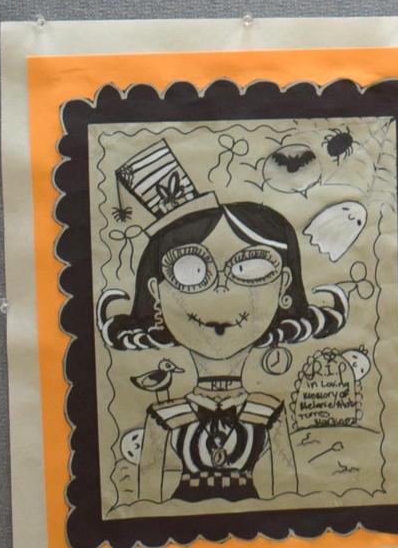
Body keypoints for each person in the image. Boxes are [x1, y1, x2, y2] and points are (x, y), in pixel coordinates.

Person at [98, 201, 348, 504]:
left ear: (284, 285)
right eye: (190, 270)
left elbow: (287, 496)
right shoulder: (164, 416)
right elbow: (145, 501)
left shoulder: (268, 412)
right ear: (156, 293)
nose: (220, 291)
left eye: (251, 267)